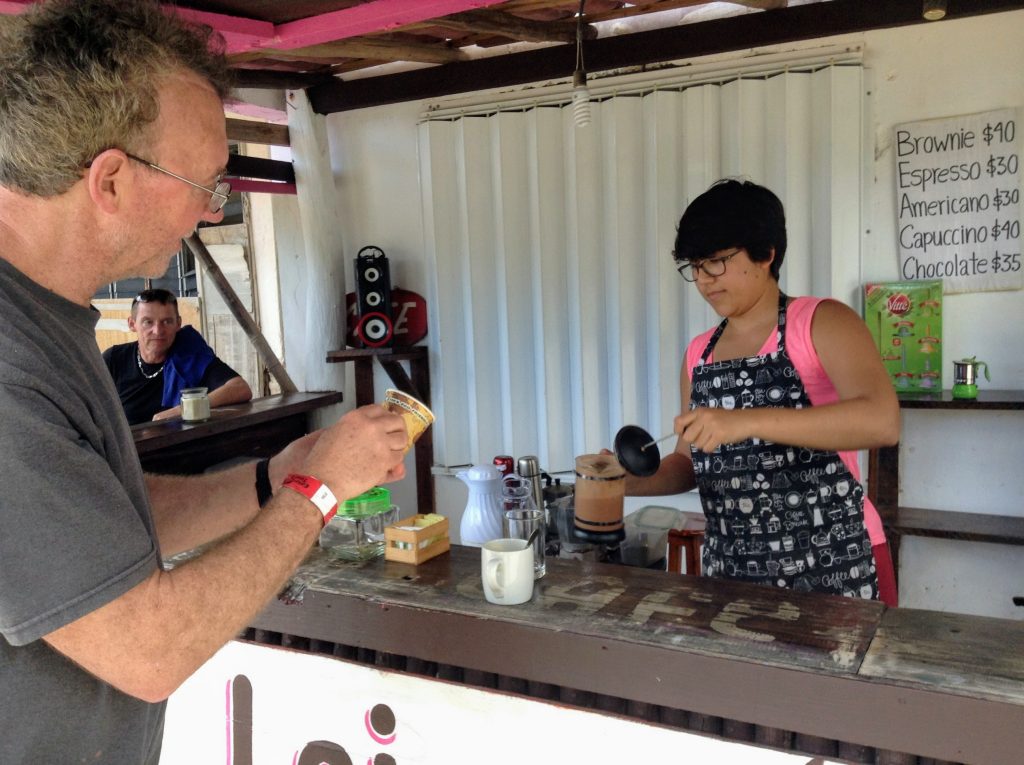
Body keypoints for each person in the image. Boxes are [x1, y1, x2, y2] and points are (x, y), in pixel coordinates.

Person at [0, 2, 408, 762]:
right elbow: (149, 649)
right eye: (206, 183)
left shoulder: (45, 319)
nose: (208, 209)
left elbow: (102, 520)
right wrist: (313, 495)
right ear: (111, 180)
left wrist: (271, 477)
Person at [626, 179, 900, 605]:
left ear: (767, 252)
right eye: (695, 266)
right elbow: (687, 462)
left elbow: (882, 421)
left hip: (834, 563)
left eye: (717, 261)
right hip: (734, 571)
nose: (704, 279)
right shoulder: (699, 354)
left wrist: (744, 421)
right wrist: (623, 483)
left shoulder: (821, 323)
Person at [103, 288, 253, 424]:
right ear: (132, 324)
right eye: (148, 322)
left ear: (178, 323)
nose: (158, 330)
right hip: (129, 450)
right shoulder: (114, 359)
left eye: (167, 321)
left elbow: (240, 388)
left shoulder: (189, 355)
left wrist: (183, 409)